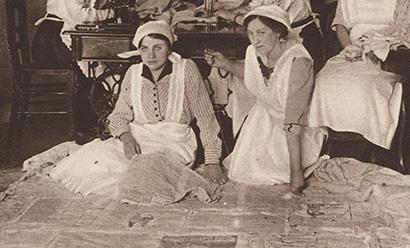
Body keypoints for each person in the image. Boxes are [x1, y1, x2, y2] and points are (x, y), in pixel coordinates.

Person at [49, 20, 227, 203]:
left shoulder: (186, 69)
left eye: (158, 48)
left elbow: (206, 117)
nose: (151, 55)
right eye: (144, 49)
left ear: (169, 48)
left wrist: (212, 161)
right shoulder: (133, 73)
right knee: (95, 158)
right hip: (139, 138)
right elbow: (118, 116)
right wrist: (127, 138)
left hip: (175, 142)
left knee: (148, 169)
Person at [205, 5, 317, 195]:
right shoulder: (254, 52)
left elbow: (293, 121)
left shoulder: (298, 62)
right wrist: (225, 64)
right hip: (266, 121)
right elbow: (254, 75)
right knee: (242, 170)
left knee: (266, 172)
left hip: (295, 133)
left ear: (279, 32)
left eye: (261, 33)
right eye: (250, 34)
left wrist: (296, 173)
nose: (255, 40)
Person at [308, 0, 403, 154]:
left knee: (363, 86)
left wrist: (380, 45)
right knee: (323, 81)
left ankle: (371, 143)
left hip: (387, 52)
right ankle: (329, 144)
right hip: (354, 50)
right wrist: (349, 48)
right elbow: (341, 26)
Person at [32, 0, 115, 143]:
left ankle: (96, 123)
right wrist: (113, 13)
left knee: (96, 64)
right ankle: (84, 129)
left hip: (59, 36)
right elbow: (80, 15)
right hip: (52, 42)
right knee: (89, 68)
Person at [212, 0, 324, 72]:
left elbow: (267, 20)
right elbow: (252, 7)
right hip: (276, 37)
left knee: (253, 68)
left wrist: (231, 16)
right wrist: (224, 11)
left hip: (301, 39)